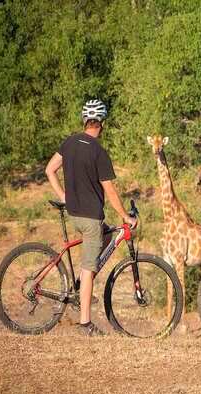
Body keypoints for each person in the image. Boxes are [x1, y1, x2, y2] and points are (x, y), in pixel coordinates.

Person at [45, 99, 137, 336]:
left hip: (74, 213)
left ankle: (81, 286)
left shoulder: (70, 142)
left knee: (106, 235)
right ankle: (85, 322)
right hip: (90, 218)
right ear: (102, 123)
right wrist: (125, 216)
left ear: (85, 121)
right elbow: (111, 191)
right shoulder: (99, 152)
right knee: (89, 267)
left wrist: (63, 195)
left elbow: (49, 170)